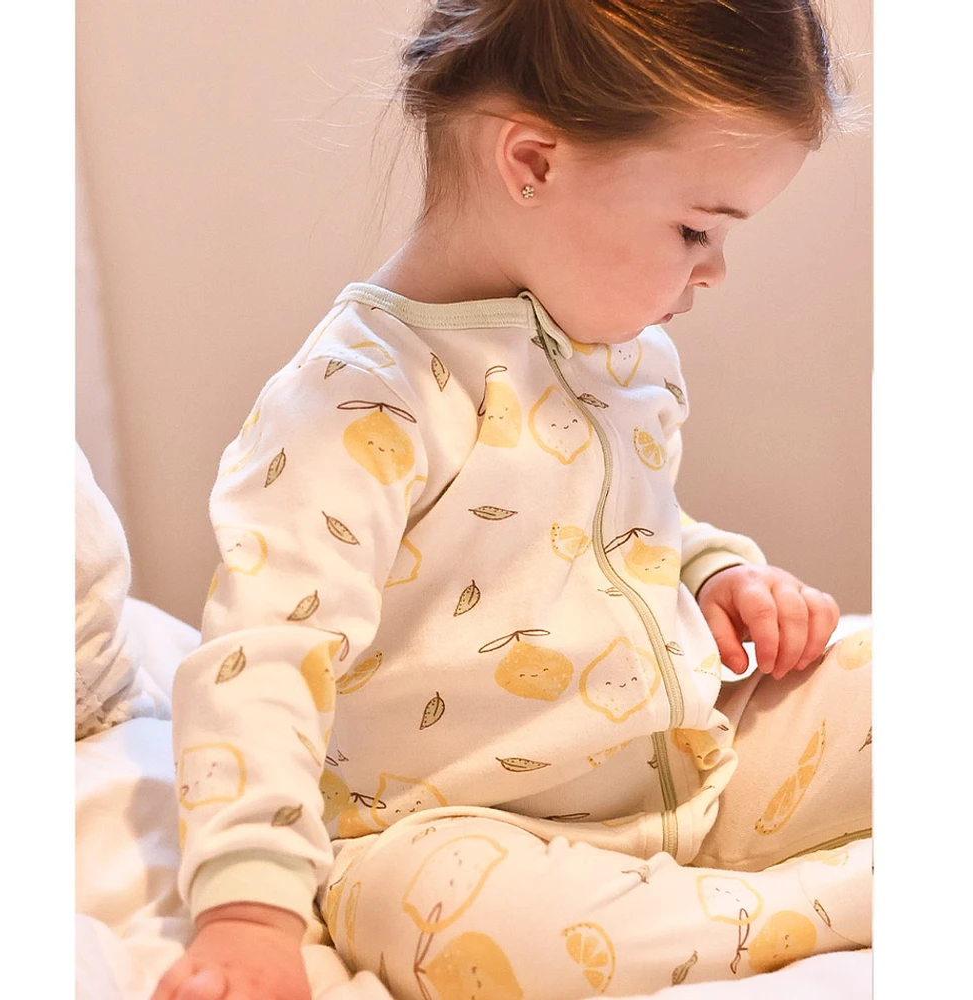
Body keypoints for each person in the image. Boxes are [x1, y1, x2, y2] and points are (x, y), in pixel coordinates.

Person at [153, 2, 871, 998]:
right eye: (695, 229)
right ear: (532, 162)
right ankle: (843, 899)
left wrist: (717, 574)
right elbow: (264, 655)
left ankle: (721, 895)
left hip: (690, 770)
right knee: (473, 929)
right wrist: (248, 917)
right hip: (448, 832)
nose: (713, 269)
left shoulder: (623, 355)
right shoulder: (357, 400)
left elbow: (621, 530)